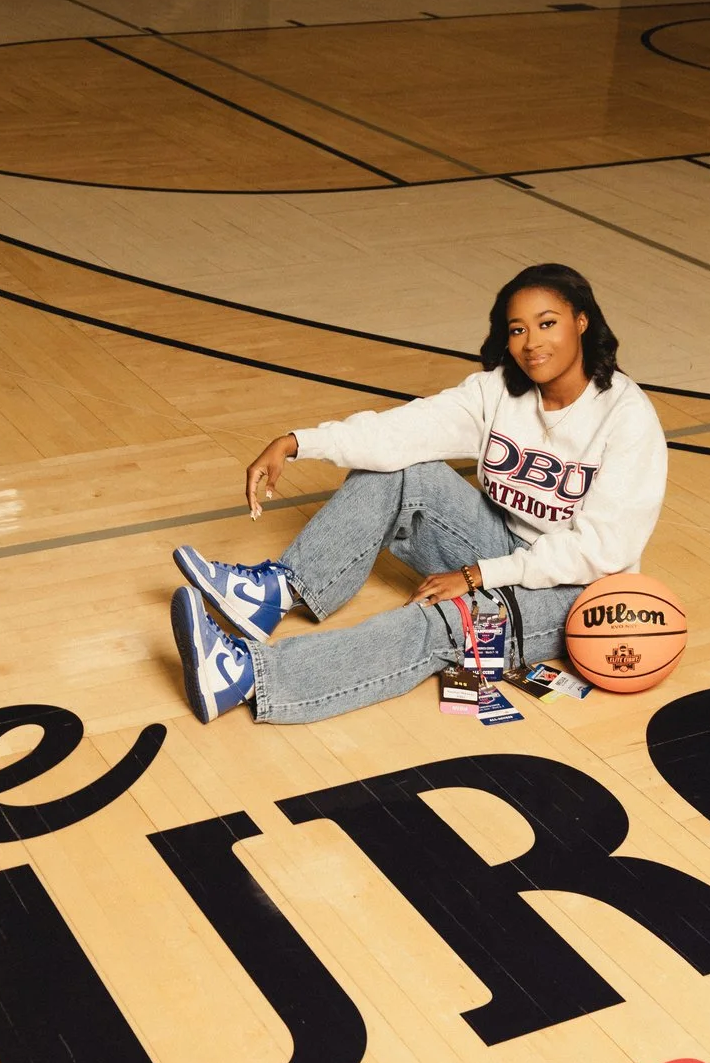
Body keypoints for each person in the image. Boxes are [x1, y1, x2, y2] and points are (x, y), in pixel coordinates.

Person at [167, 261, 667, 725]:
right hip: (503, 546)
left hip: (579, 590)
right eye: (518, 330)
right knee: (404, 471)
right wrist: (299, 442)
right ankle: (273, 593)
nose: (531, 342)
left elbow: (600, 551)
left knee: (440, 620)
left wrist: (475, 577)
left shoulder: (626, 417)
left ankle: (245, 678)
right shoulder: (501, 391)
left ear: (581, 322)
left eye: (547, 323)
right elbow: (404, 431)